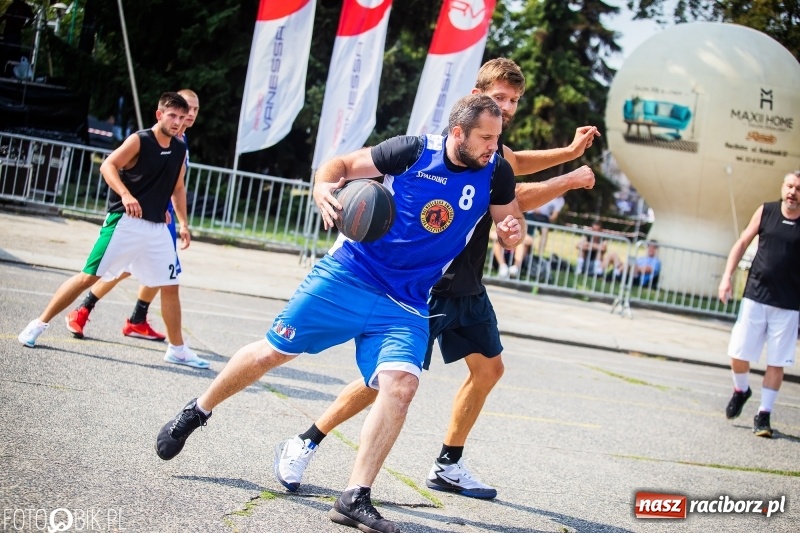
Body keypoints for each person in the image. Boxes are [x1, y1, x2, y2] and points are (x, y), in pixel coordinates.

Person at [154, 94, 524, 533]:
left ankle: (354, 496)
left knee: (402, 386)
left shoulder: (496, 170)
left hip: (405, 301)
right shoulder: (411, 151)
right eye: (485, 137)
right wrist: (322, 187)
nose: (492, 146)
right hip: (349, 275)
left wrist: (511, 232)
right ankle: (198, 410)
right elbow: (341, 166)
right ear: (458, 133)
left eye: (497, 137)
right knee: (272, 353)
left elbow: (507, 220)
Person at [273, 58, 598, 500]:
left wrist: (568, 154)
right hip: (428, 287)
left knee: (488, 369)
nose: (505, 108)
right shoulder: (469, 143)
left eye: (513, 101)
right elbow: (518, 190)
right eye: (498, 98)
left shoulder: (493, 145)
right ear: (474, 99)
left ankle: (448, 463)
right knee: (383, 383)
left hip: (469, 283)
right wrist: (569, 175)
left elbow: (515, 169)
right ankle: (305, 440)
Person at [18, 93, 207, 368]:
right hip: (125, 222)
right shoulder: (140, 140)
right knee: (88, 276)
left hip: (157, 228)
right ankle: (39, 323)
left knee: (170, 285)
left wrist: (183, 223)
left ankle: (177, 349)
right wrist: (125, 194)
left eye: (182, 117)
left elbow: (177, 186)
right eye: (173, 116)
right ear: (159, 115)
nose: (178, 122)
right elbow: (108, 165)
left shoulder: (179, 148)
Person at [719, 170, 800, 438]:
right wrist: (726, 277)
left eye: (798, 189)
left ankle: (764, 414)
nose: (792, 192)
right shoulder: (767, 211)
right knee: (738, 354)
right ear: (782, 187)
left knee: (777, 362)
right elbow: (743, 241)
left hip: (789, 304)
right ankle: (741, 390)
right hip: (756, 295)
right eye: (789, 186)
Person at [0, 0, 33, 76]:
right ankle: (4, 71)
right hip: (7, 31)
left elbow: (31, 17)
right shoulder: (12, 5)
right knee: (4, 52)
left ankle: (10, 72)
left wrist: (25, 26)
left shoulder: (25, 7)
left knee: (12, 53)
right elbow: (6, 15)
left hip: (15, 32)